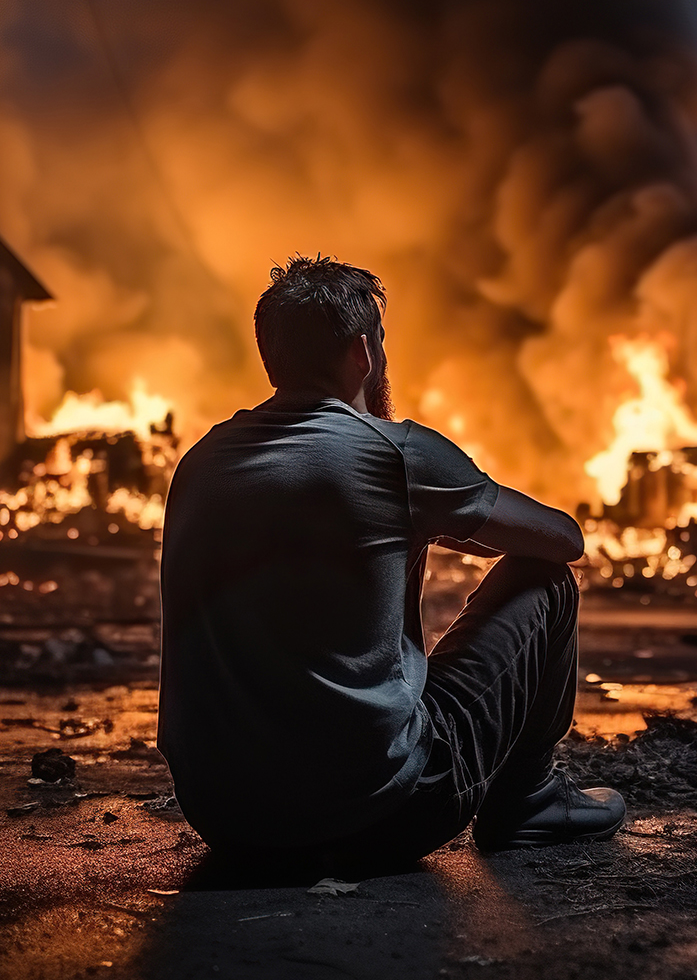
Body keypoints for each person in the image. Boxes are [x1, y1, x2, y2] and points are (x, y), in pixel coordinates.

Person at [157, 255, 625, 866]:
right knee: (545, 580)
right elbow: (564, 538)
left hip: (226, 820)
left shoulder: (199, 462)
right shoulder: (398, 454)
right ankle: (529, 798)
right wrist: (436, 518)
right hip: (381, 817)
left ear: (270, 356)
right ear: (364, 351)